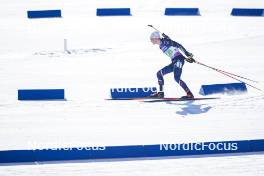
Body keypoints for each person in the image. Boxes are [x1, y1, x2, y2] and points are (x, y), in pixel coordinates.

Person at [149, 31, 195, 99]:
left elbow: (178, 45)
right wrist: (168, 38)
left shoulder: (165, 41)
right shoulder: (161, 45)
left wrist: (187, 54)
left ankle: (189, 94)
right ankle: (161, 93)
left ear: (156, 38)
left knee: (176, 78)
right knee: (159, 73)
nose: (151, 41)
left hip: (179, 60)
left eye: (151, 39)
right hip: (174, 61)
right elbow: (172, 47)